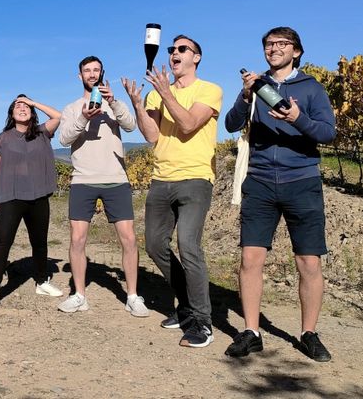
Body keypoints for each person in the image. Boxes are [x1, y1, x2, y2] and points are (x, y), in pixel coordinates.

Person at [224, 26, 336, 362]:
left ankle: (309, 334)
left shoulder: (311, 87)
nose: (274, 49)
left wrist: (298, 118)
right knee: (250, 260)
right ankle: (251, 332)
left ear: (296, 51)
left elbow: (327, 133)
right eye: (269, 45)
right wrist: (245, 96)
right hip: (259, 181)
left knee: (308, 261)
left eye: (281, 44)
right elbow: (231, 124)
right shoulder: (257, 87)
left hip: (301, 181)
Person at [123, 34, 222, 348]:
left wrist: (165, 92)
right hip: (161, 178)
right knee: (154, 244)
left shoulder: (209, 90)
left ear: (196, 57)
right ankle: (186, 307)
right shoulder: (157, 96)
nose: (174, 53)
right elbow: (152, 135)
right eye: (172, 49)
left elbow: (189, 123)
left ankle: (203, 323)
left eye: (182, 49)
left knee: (188, 246)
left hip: (195, 177)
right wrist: (139, 104)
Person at [56, 56, 149, 317]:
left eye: (96, 70)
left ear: (102, 73)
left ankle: (132, 295)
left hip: (116, 178)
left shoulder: (112, 105)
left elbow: (130, 126)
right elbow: (64, 139)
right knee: (77, 239)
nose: (92, 74)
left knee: (129, 239)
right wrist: (84, 119)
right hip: (82, 179)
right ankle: (79, 295)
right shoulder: (72, 108)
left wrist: (114, 102)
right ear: (79, 76)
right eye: (87, 70)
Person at [0, 95, 63, 307]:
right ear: (11, 114)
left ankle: (41, 281)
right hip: (10, 197)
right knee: (3, 242)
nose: (22, 108)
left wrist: (34, 101)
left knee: (39, 242)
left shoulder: (42, 133)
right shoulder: (3, 138)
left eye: (26, 106)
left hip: (38, 196)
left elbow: (58, 116)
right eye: (18, 105)